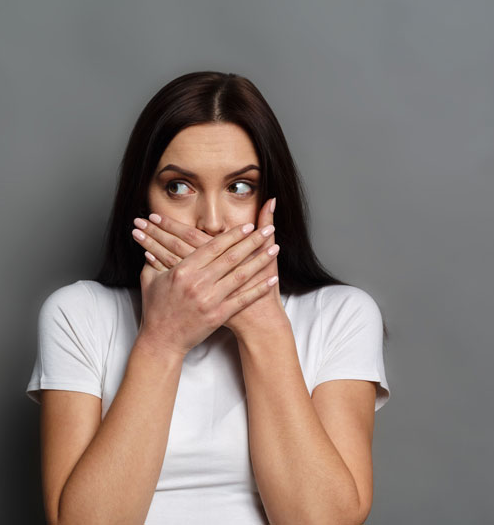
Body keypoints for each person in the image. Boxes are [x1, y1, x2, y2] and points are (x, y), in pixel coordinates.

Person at [25, 71, 391, 525]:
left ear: (271, 199)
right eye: (179, 186)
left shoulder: (342, 315)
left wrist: (264, 326)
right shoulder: (78, 314)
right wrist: (162, 340)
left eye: (240, 187)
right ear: (143, 199)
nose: (212, 222)